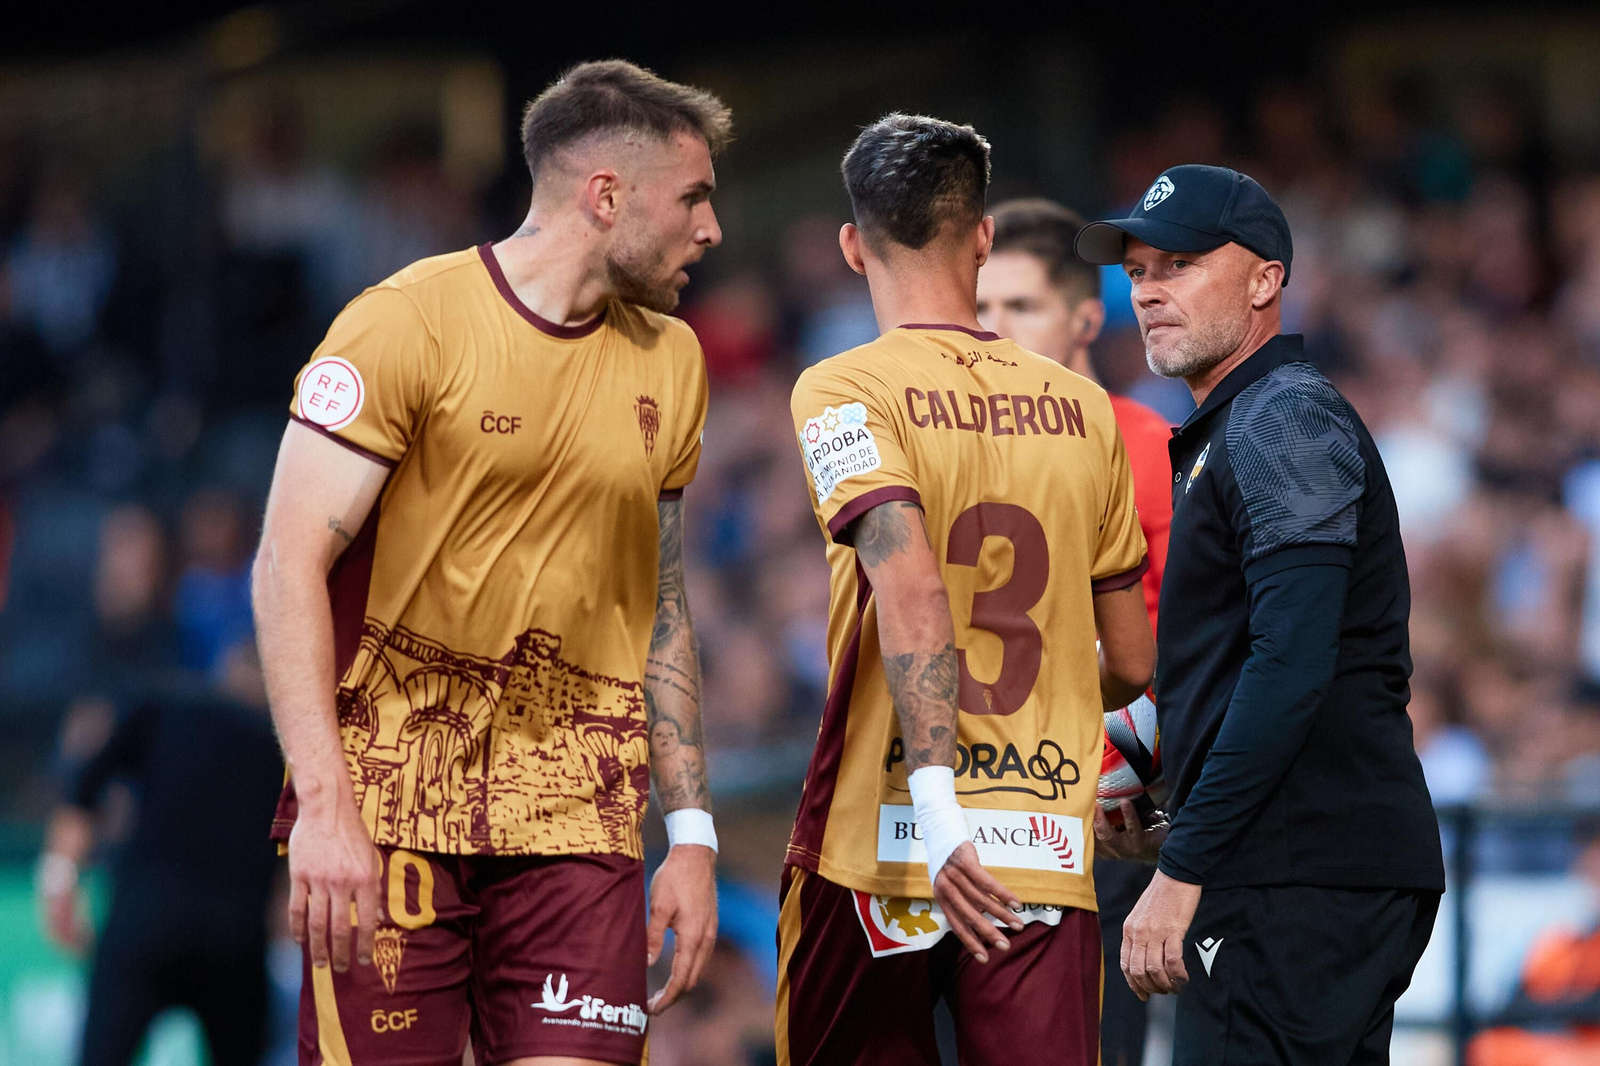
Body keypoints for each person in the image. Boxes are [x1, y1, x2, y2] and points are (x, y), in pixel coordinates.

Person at [251, 60, 730, 1066]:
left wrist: (690, 829)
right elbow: (285, 564)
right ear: (607, 195)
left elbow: (662, 599)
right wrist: (327, 813)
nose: (711, 230)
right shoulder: (403, 323)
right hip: (392, 815)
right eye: (692, 198)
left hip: (577, 823)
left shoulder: (675, 360)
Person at [775, 113, 1156, 1066]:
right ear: (983, 237)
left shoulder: (840, 390)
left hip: (888, 836)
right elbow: (1136, 661)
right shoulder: (1085, 410)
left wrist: (943, 813)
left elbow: (909, 596)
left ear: (852, 245)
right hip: (1043, 840)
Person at [1078, 164, 1445, 1065]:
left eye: (1180, 264)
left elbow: (1292, 666)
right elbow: (1247, 662)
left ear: (1265, 279)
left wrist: (1184, 865)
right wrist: (1162, 783)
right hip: (1311, 865)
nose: (1150, 292)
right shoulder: (1241, 423)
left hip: (1302, 873)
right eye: (1138, 272)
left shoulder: (1283, 419)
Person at [976, 197, 1173, 1066]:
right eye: (979, 309)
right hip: (963, 814)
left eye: (1019, 308)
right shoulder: (949, 453)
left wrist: (1119, 786)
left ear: (1087, 317)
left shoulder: (1151, 451)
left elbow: (1173, 654)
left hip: (1096, 818)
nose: (993, 330)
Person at [36, 642, 283, 1066]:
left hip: (144, 923)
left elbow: (83, 790)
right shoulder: (283, 749)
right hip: (235, 937)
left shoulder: (166, 707)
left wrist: (60, 879)